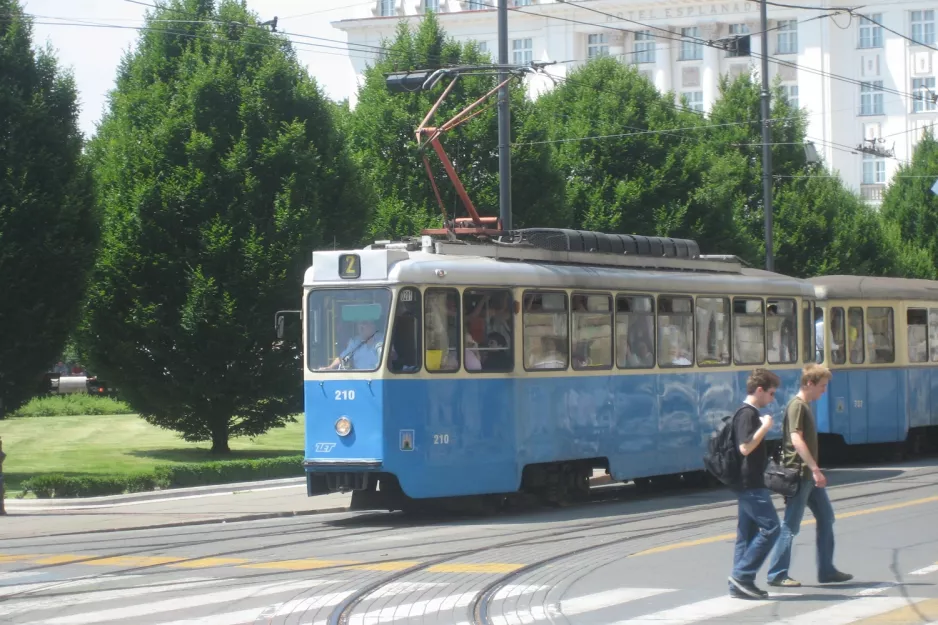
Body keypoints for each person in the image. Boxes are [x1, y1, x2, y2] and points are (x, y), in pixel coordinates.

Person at [766, 364, 853, 587]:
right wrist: (814, 469)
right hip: (801, 474)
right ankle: (777, 573)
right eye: (822, 386)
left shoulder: (804, 406)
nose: (824, 391)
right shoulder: (797, 406)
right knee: (790, 526)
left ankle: (826, 569)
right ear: (809, 384)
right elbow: (796, 439)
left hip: (808, 476)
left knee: (826, 517)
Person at [728, 368, 782, 600]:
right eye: (771, 393)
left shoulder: (746, 413)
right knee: (772, 528)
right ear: (759, 390)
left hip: (747, 482)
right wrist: (765, 427)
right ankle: (742, 575)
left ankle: (739, 584)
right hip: (751, 483)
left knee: (746, 535)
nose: (772, 398)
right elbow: (745, 447)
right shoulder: (748, 414)